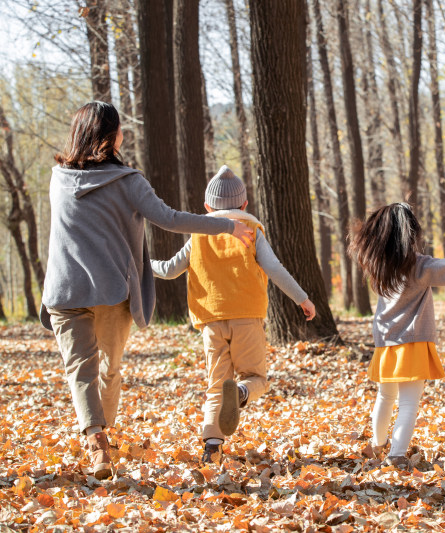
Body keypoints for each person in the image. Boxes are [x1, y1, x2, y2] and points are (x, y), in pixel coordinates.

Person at [41, 101, 255, 479]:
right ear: (111, 136)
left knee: (81, 370)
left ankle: (97, 440)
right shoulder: (127, 181)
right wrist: (226, 226)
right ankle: (99, 440)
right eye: (119, 128)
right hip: (111, 290)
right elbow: (170, 220)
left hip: (64, 289)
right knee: (107, 370)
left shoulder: (58, 178)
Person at [151, 166, 316, 464]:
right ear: (244, 205)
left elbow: (168, 269)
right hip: (247, 317)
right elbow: (274, 269)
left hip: (211, 321)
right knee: (256, 378)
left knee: (216, 386)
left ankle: (211, 449)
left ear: (206, 207)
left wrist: (140, 263)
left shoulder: (199, 234)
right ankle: (240, 393)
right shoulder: (251, 232)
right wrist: (302, 298)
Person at [349, 203, 445, 469]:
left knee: (385, 397)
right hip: (412, 343)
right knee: (408, 402)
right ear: (410, 235)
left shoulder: (379, 267)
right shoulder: (418, 266)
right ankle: (396, 454)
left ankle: (378, 443)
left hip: (386, 345)